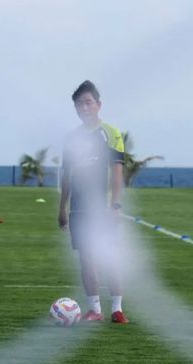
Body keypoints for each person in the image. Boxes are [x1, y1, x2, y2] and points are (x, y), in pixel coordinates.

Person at [58, 80, 129, 324]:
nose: (84, 107)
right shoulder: (71, 138)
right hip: (78, 208)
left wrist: (116, 205)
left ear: (98, 105)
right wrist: (62, 207)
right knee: (86, 258)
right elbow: (66, 175)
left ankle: (117, 309)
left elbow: (117, 171)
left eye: (88, 102)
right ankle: (95, 309)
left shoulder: (110, 132)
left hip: (103, 208)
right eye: (79, 103)